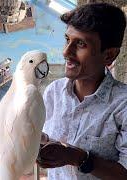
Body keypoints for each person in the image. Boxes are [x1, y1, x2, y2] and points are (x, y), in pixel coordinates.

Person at [37, 2, 127, 180]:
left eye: (80, 44)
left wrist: (76, 157)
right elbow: (50, 140)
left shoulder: (122, 104)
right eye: (67, 40)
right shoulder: (53, 92)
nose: (66, 52)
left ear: (109, 55)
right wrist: (40, 142)